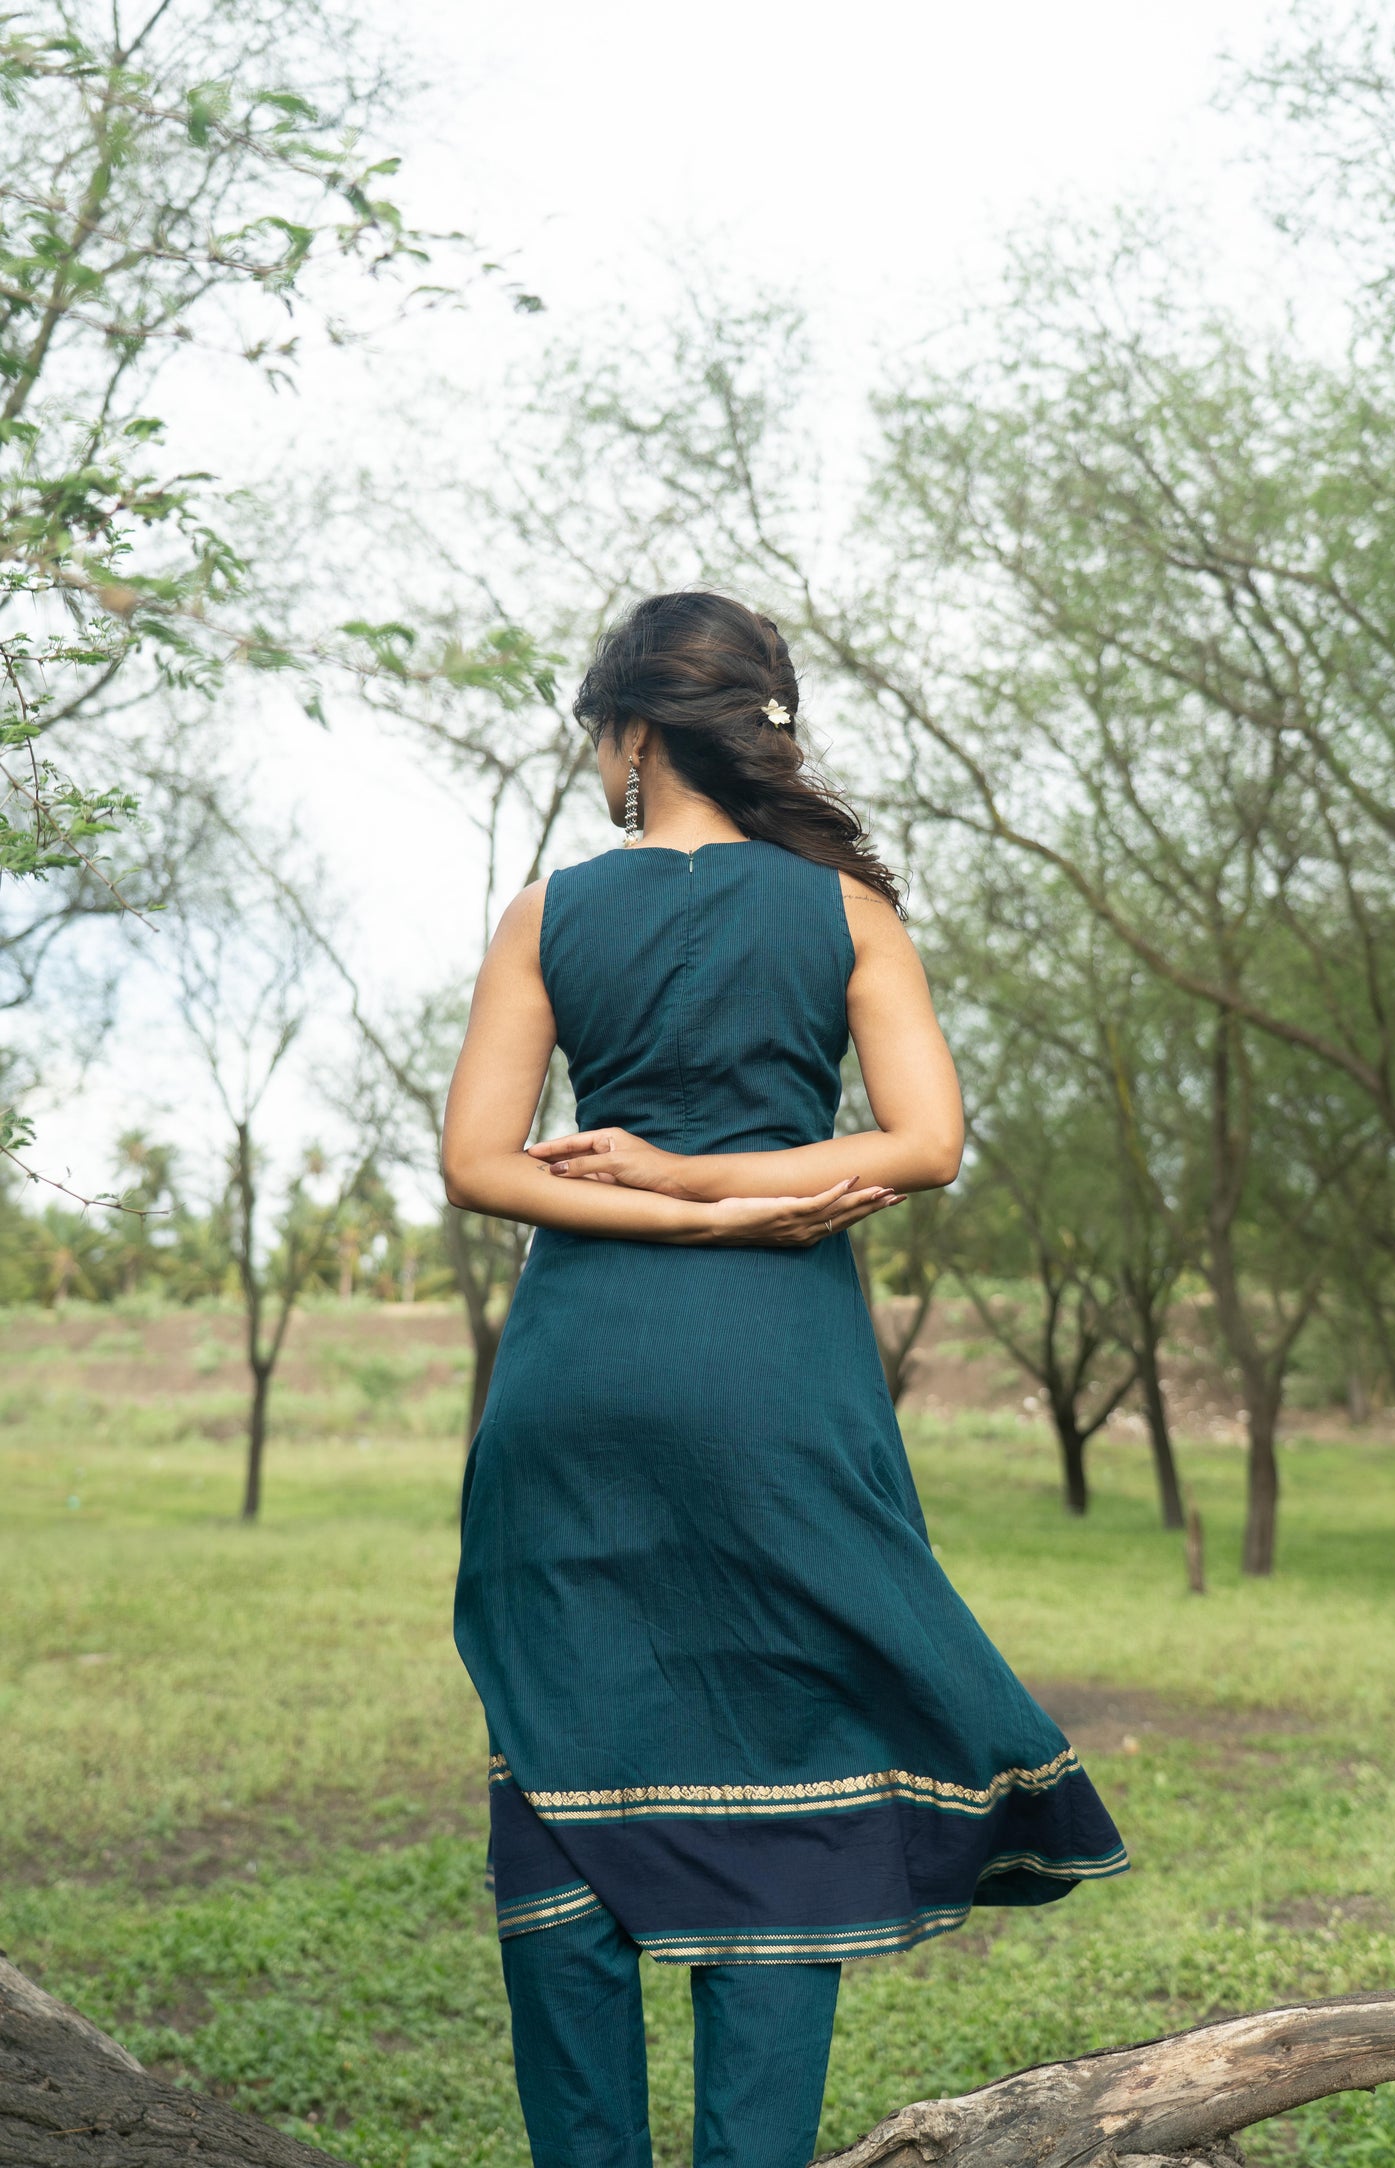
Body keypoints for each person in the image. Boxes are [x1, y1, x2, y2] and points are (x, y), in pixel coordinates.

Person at [443, 592, 1127, 2168]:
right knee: (792, 1739)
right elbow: (923, 1144)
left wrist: (665, 1186)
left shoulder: (546, 912)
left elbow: (480, 1165)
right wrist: (728, 1199)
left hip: (580, 1369)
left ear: (630, 734)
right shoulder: (846, 910)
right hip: (777, 1371)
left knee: (563, 1728)